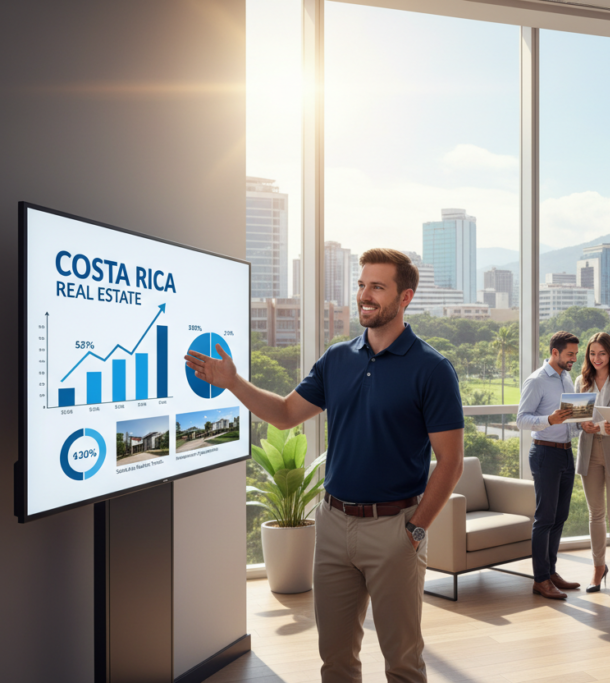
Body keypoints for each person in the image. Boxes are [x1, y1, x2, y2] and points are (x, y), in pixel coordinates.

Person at [185, 248, 465, 683]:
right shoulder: (338, 358)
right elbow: (283, 414)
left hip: (394, 530)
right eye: (360, 285)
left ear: (405, 297)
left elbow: (450, 462)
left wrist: (415, 529)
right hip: (333, 524)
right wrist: (233, 383)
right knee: (335, 661)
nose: (364, 295)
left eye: (377, 286)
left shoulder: (432, 369)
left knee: (403, 664)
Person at [516, 331, 583, 600]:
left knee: (560, 516)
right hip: (544, 454)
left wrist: (581, 424)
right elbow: (522, 420)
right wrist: (549, 420)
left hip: (566, 453)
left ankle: (551, 571)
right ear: (554, 352)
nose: (574, 360)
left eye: (576, 355)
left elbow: (569, 419)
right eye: (570, 354)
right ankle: (540, 580)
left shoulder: (566, 377)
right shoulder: (536, 380)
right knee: (544, 518)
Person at [574, 332, 610, 595]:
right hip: (590, 451)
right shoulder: (581, 381)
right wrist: (581, 424)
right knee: (595, 515)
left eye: (602, 353)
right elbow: (575, 419)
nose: (596, 358)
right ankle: (599, 568)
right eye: (592, 353)